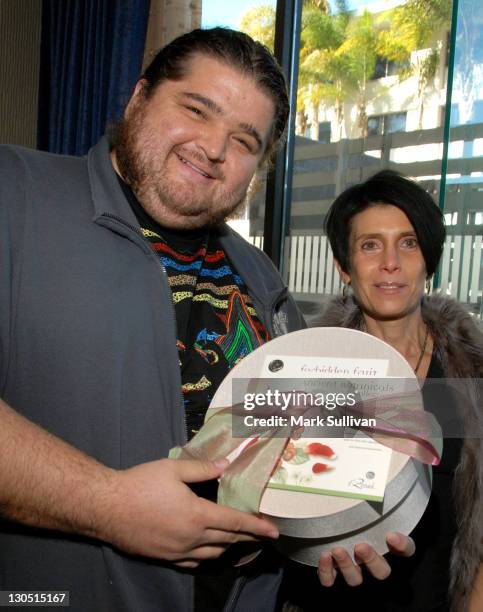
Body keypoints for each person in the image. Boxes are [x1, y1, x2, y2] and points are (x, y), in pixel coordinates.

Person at [0, 29, 413, 612]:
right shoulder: (14, 193)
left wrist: (330, 519)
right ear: (138, 97)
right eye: (196, 109)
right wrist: (106, 504)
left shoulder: (261, 277)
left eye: (244, 140)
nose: (215, 147)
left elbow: (286, 445)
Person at [281, 170, 483, 612]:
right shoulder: (308, 368)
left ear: (428, 259)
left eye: (408, 243)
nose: (390, 262)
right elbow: (278, 498)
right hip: (332, 597)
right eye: (370, 245)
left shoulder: (472, 370)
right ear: (343, 266)